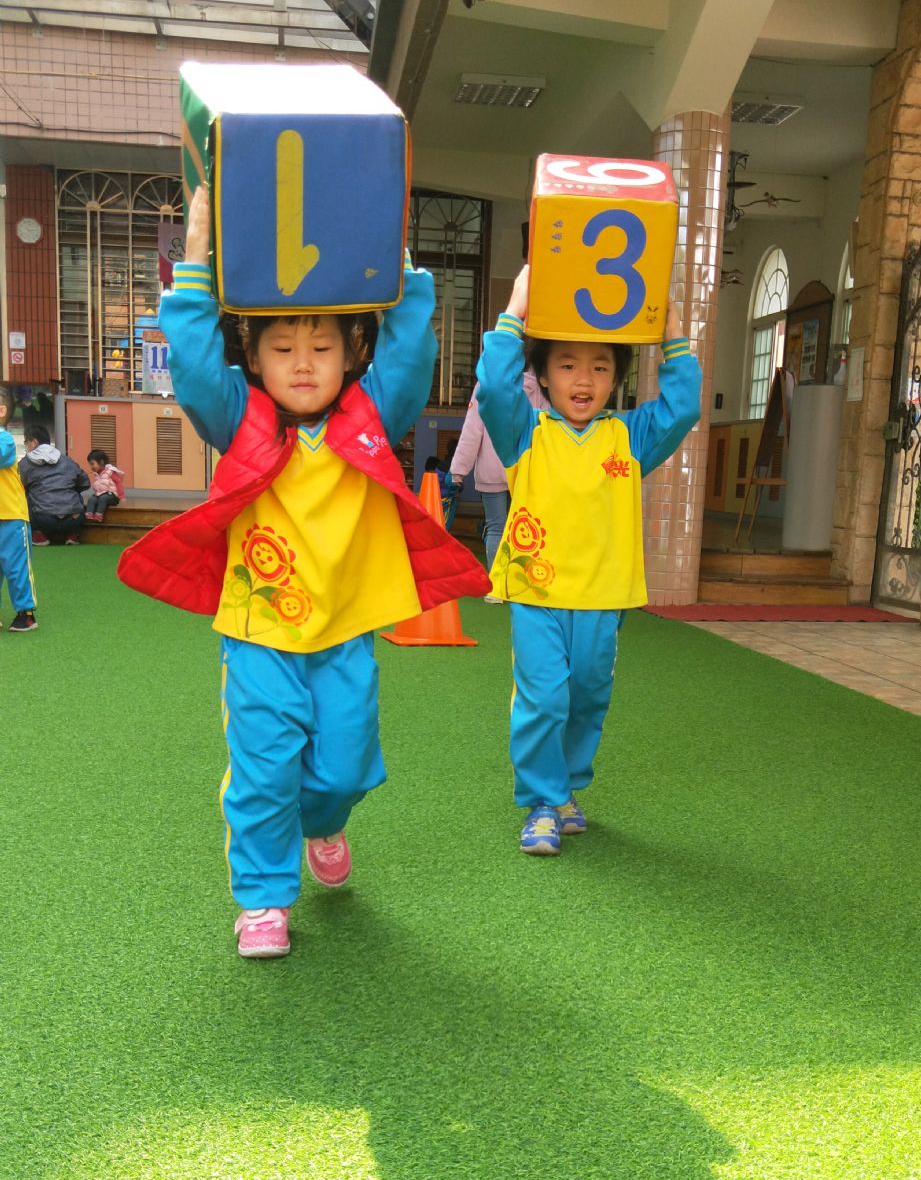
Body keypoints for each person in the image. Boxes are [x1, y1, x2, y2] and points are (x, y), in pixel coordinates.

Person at [118, 185, 488, 959]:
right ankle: (262, 898)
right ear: (253, 358)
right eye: (282, 348)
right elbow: (194, 368)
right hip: (260, 631)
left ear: (353, 353)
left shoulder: (370, 414)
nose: (303, 364)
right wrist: (196, 257)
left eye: (322, 347)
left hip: (344, 630)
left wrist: (396, 258)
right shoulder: (240, 417)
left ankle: (324, 822)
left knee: (344, 770)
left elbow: (411, 357)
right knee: (263, 770)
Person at [476, 262, 702, 856]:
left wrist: (673, 332)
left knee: (587, 697)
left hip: (604, 598)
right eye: (567, 365)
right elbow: (494, 388)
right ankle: (542, 801)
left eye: (600, 367)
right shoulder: (525, 432)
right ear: (542, 376)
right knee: (545, 698)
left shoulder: (630, 436)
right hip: (538, 593)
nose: (583, 379)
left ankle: (567, 789)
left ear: (616, 378)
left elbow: (682, 408)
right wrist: (515, 310)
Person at [445, 372, 544, 601]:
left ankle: (497, 587)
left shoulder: (486, 384)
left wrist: (458, 470)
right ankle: (525, 585)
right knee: (528, 527)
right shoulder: (539, 384)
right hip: (526, 467)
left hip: (492, 466)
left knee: (496, 527)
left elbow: (472, 430)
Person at [0, 396, 38, 632]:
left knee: (16, 566)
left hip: (12, 515)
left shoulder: (5, 439)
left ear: (1, 410)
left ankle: (26, 614)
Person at [19, 426, 92, 545]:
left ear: (34, 442)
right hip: (73, 518)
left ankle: (39, 535)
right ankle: (73, 535)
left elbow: (19, 486)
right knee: (75, 493)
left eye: (26, 442)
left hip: (43, 519)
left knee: (26, 495)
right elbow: (85, 483)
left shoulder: (25, 463)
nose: (26, 446)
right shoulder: (67, 460)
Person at [85, 448, 126, 520]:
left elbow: (118, 482)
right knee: (92, 499)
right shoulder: (97, 474)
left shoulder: (110, 471)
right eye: (90, 464)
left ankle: (99, 514)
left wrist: (121, 496)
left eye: (92, 464)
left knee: (103, 498)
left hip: (112, 496)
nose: (91, 467)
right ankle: (89, 513)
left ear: (101, 462)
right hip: (100, 494)